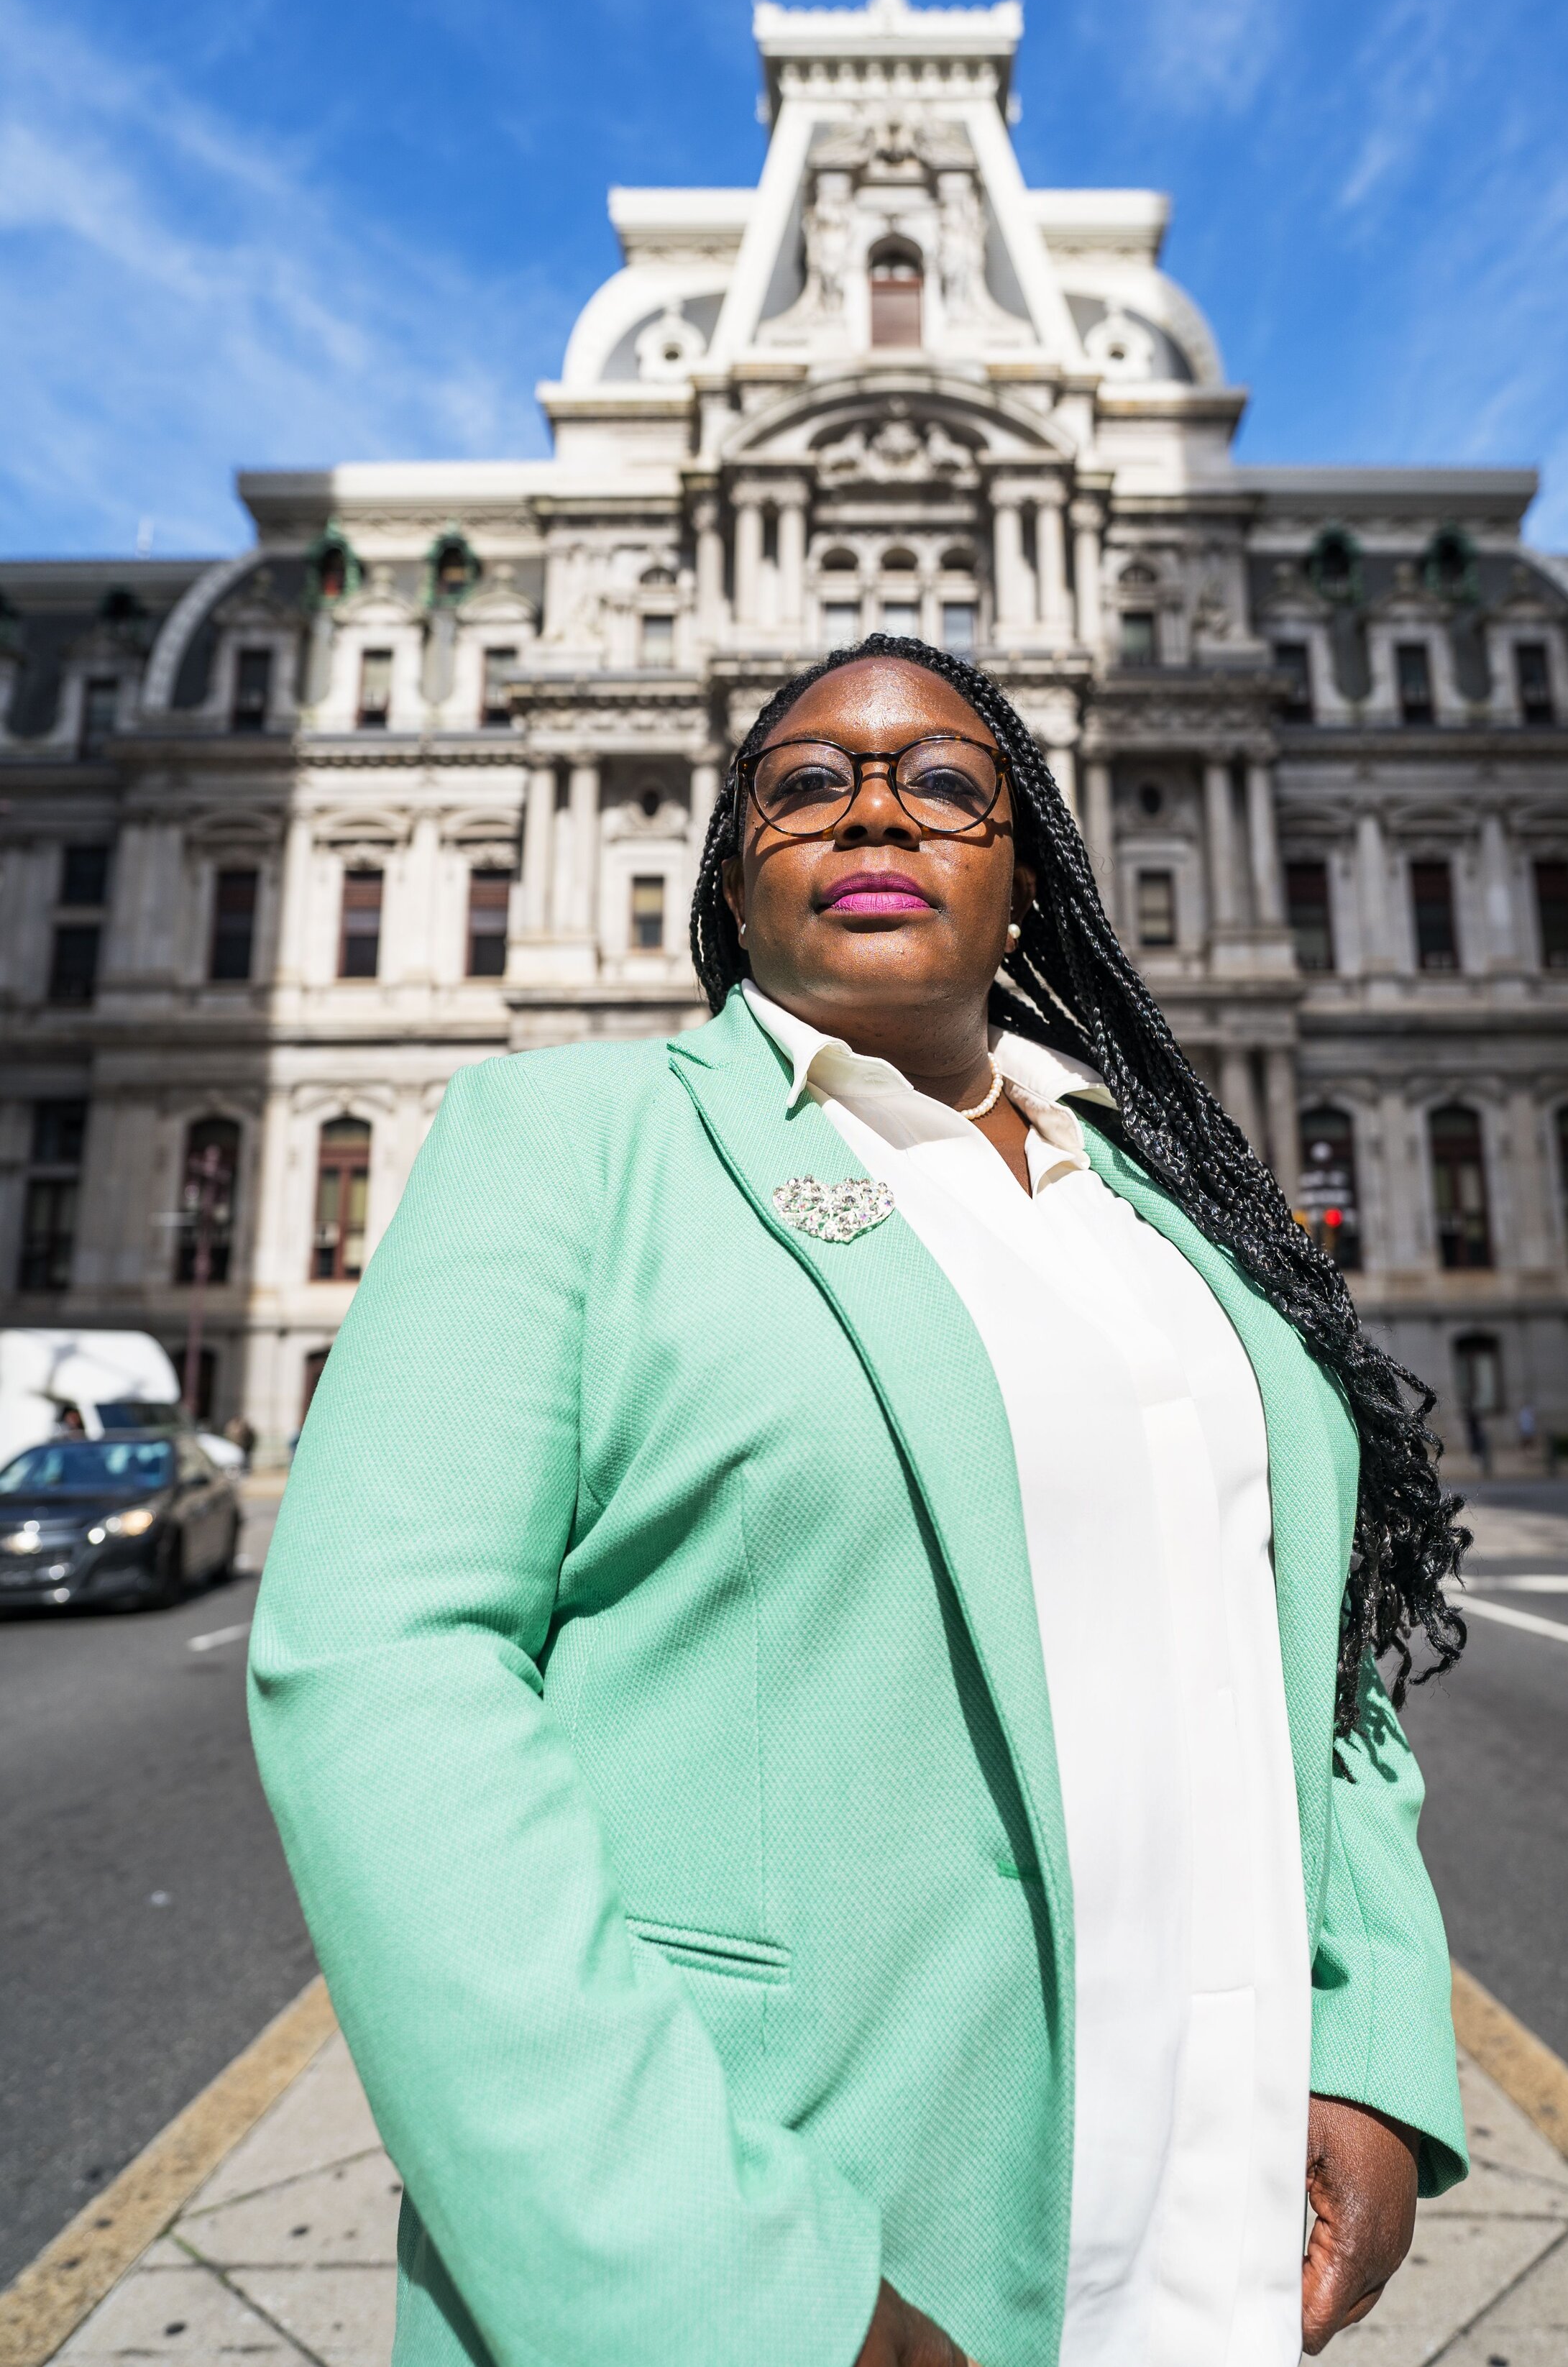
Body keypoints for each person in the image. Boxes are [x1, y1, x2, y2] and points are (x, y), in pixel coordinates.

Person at [250, 638, 1470, 2367]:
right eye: (804, 785)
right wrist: (724, 2280)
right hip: (807, 2207)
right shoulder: (572, 1142)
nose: (874, 809)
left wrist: (1369, 2044)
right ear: (732, 882)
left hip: (1212, 2209)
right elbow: (385, 1682)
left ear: (1025, 875)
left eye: (949, 785)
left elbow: (1314, 1627)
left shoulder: (1169, 1203)